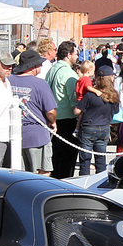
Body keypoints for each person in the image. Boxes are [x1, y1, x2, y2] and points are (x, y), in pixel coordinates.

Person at [10, 51, 57, 173]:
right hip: (36, 136)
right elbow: (51, 112)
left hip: (13, 134)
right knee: (42, 173)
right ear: (33, 67)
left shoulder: (8, 81)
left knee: (18, 174)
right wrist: (53, 122)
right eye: (39, 64)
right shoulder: (40, 84)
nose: (41, 66)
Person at [45, 41, 79, 179]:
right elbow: (74, 100)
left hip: (52, 117)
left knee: (55, 158)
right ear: (69, 55)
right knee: (66, 161)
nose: (77, 57)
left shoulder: (51, 70)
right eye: (76, 54)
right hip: (66, 119)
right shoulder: (68, 74)